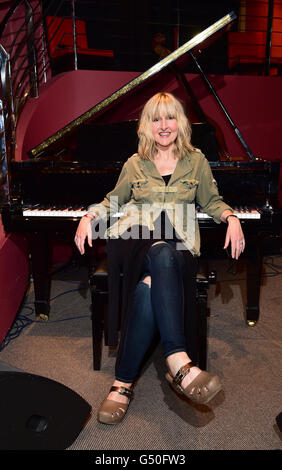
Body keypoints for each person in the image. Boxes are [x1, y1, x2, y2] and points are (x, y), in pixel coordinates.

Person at [75, 92, 245, 425]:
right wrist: (88, 217)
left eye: (169, 118)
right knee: (157, 249)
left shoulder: (196, 161)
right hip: (134, 240)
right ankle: (179, 363)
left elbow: (212, 201)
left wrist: (232, 218)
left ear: (180, 123)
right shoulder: (134, 164)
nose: (163, 125)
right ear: (146, 126)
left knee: (154, 275)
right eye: (156, 119)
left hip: (179, 247)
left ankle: (122, 383)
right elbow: (112, 201)